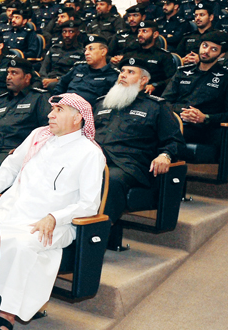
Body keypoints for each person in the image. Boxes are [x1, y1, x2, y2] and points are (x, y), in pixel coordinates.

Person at [0, 94, 105, 330]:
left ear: (77, 119)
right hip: (12, 210)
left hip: (55, 223)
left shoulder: (90, 153)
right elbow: (11, 165)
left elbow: (89, 205)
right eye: (52, 109)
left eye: (58, 110)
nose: (50, 115)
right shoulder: (38, 136)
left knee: (19, 244)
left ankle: (6, 312)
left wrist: (55, 217)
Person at [94, 58, 184, 249]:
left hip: (129, 166)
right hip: (96, 160)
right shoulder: (102, 103)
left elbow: (174, 140)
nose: (123, 75)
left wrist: (165, 155)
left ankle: (93, 239)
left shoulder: (156, 107)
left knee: (110, 179)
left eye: (130, 72)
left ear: (143, 80)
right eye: (122, 71)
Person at [0, 58, 51, 179]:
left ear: (27, 77)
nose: (8, 77)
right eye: (8, 73)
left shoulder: (38, 98)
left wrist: (25, 149)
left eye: (14, 73)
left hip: (15, 150)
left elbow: (47, 130)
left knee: (1, 163)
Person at [162, 31, 228, 155]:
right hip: (176, 121)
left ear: (221, 55)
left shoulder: (225, 78)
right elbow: (164, 101)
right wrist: (182, 111)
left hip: (203, 129)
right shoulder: (182, 72)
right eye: (204, 45)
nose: (206, 51)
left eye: (213, 49)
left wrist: (205, 118)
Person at [54, 35, 119, 103]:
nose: (86, 53)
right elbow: (61, 84)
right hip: (65, 106)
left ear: (103, 52)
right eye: (85, 50)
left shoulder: (113, 75)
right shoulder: (79, 68)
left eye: (91, 49)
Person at [121, 20, 177, 95]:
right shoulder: (130, 53)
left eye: (144, 31)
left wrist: (155, 86)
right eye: (139, 31)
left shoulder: (163, 56)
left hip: (150, 93)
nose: (140, 34)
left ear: (155, 34)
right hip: (127, 90)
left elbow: (172, 79)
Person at [40, 21, 85, 88]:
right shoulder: (54, 48)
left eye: (71, 32)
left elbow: (76, 74)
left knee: (52, 85)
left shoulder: (81, 52)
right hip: (47, 79)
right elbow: (43, 68)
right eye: (64, 32)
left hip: (65, 82)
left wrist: (57, 80)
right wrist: (44, 80)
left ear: (77, 33)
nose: (67, 35)